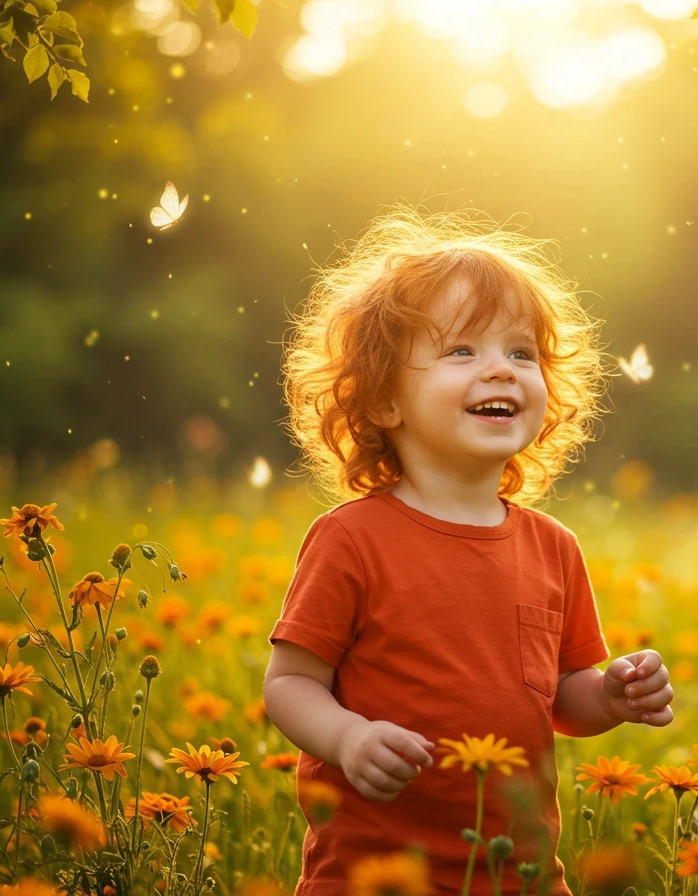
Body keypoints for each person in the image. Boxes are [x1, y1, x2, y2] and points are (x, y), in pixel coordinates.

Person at [262, 203, 675, 896]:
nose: (502, 370)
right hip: (374, 876)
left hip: (521, 875)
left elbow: (563, 700)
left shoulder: (553, 548)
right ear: (384, 399)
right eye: (462, 351)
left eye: (522, 352)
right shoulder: (352, 540)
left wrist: (611, 693)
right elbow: (291, 684)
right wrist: (347, 739)